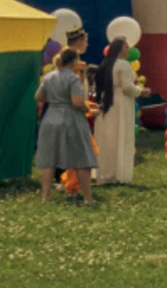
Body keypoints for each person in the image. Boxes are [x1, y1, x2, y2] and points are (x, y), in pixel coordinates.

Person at [36, 48, 96, 204]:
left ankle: (46, 197)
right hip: (71, 119)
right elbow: (77, 102)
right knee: (82, 159)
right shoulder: (73, 78)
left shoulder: (49, 77)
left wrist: (55, 99)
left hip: (51, 118)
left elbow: (39, 96)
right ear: (74, 62)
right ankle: (88, 198)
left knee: (48, 160)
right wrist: (88, 109)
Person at [94, 36, 141, 185]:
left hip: (107, 102)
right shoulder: (123, 64)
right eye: (126, 47)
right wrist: (141, 91)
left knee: (108, 138)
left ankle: (105, 173)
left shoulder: (105, 64)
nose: (128, 50)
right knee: (121, 135)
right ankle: (119, 174)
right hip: (121, 102)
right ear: (121, 49)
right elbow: (127, 87)